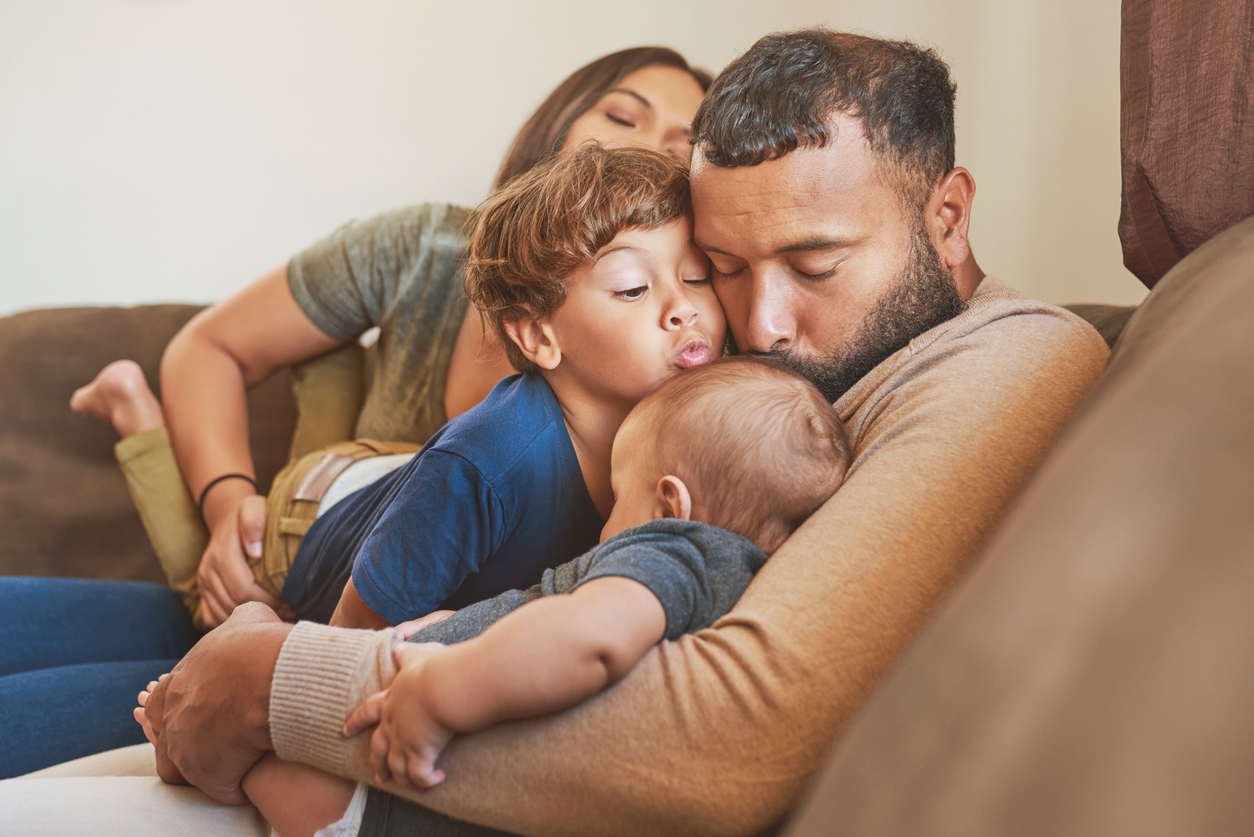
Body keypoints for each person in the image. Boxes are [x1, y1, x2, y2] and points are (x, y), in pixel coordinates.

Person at [1, 29, 1112, 837]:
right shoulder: (700, 342)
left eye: (815, 265)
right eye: (725, 269)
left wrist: (278, 678)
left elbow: (731, 734)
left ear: (948, 215)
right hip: (343, 587)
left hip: (362, 675)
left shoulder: (1004, 357)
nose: (760, 324)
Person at [0, 45, 711, 780]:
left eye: (678, 148)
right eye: (622, 116)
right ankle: (271, 383)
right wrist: (226, 506)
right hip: (308, 546)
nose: (642, 148)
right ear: (557, 127)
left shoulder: (689, 372)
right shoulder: (438, 281)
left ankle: (324, 372)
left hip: (354, 550)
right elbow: (210, 349)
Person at [141, 357, 849, 837]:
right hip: (430, 770)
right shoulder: (734, 576)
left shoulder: (673, 549)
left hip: (400, 778)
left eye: (619, 495)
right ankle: (193, 710)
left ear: (670, 499)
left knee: (269, 760)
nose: (605, 525)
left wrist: (449, 689)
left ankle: (193, 715)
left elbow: (589, 635)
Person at [279, 143, 725, 630]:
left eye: (697, 276)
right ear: (538, 334)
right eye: (632, 288)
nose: (684, 306)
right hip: (311, 516)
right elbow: (349, 636)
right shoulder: (488, 460)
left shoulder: (714, 424)